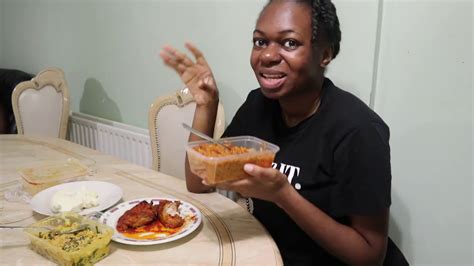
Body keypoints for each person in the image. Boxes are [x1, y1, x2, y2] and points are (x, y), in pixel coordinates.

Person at [160, 0, 408, 265]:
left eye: (290, 43)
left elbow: (369, 256)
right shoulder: (258, 106)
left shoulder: (358, 130)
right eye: (260, 42)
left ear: (325, 54)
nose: (267, 55)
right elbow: (199, 182)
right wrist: (207, 104)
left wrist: (283, 195)